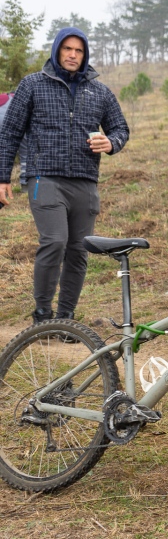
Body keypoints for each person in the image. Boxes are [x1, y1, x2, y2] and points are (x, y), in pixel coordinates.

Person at [0, 28, 129, 324]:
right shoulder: (33, 84)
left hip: (85, 181)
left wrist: (111, 143)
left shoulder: (100, 92)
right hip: (43, 179)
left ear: (85, 55)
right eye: (67, 49)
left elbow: (121, 129)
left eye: (79, 50)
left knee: (79, 250)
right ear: (57, 50)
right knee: (55, 241)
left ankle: (66, 317)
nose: (73, 55)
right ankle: (43, 315)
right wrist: (2, 177)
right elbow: (9, 134)